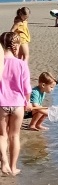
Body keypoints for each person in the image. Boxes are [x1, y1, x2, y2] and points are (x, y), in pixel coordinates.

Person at [0, 33, 31, 175]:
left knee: (2, 136)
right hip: (18, 104)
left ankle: (4, 163)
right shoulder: (21, 64)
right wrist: (28, 102)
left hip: (1, 104)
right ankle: (13, 168)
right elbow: (27, 88)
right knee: (14, 136)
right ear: (16, 46)